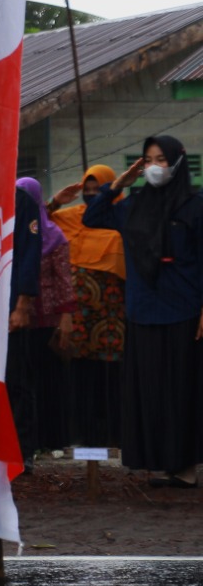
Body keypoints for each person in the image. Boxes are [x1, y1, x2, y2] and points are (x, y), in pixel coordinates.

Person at [84, 136, 203, 487]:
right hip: (142, 310)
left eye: (162, 159)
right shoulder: (133, 205)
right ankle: (155, 462)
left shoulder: (195, 207)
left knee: (180, 390)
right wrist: (118, 185)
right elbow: (94, 217)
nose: (154, 166)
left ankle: (184, 468)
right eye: (148, 160)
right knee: (149, 390)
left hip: (183, 310)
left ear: (179, 162)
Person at [47, 165, 127, 447]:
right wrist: (56, 201)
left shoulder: (121, 215)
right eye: (88, 190)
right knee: (78, 373)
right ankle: (81, 438)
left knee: (111, 375)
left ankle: (115, 437)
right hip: (76, 314)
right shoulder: (69, 217)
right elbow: (37, 224)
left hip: (112, 313)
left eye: (98, 189)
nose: (91, 195)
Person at [17, 177, 77, 453]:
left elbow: (65, 279)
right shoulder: (13, 233)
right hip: (20, 317)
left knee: (48, 381)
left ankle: (52, 440)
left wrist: (66, 316)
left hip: (49, 317)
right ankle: (30, 442)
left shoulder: (54, 236)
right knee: (24, 381)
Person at [6, 184, 44, 472]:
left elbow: (30, 256)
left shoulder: (21, 201)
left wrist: (22, 305)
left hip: (9, 307)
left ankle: (21, 453)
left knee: (17, 381)